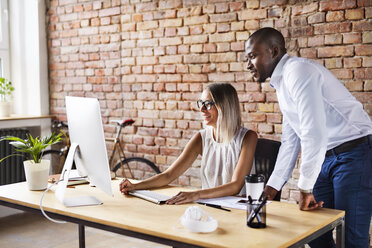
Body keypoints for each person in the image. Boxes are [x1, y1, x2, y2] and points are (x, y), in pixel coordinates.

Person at [245, 27, 372, 248]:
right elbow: (291, 139)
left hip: (355, 154)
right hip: (327, 158)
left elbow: (314, 133)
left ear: (274, 51)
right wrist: (272, 187)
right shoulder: (282, 83)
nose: (248, 65)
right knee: (315, 234)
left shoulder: (298, 72)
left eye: (253, 56)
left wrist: (305, 188)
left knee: (351, 239)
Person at [120, 83, 257, 205]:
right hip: (210, 206)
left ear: (225, 106)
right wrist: (135, 186)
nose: (202, 109)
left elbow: (235, 186)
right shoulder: (201, 138)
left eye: (208, 104)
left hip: (239, 209)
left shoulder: (248, 137)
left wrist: (196, 194)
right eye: (201, 103)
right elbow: (169, 175)